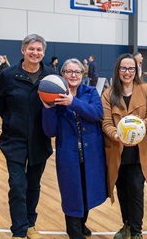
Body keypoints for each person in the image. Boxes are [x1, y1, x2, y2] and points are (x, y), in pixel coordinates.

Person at [0, 34, 56, 239]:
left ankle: (31, 223)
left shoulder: (50, 76)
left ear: (44, 53)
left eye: (39, 49)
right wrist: (14, 122)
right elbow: (0, 105)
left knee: (34, 185)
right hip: (14, 141)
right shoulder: (8, 75)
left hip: (40, 141)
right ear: (23, 50)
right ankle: (19, 231)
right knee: (17, 185)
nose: (35, 53)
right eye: (31, 48)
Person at [41, 58, 107, 239]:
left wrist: (73, 102)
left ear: (82, 74)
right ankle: (73, 230)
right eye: (69, 72)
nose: (73, 75)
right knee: (71, 192)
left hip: (91, 153)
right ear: (62, 75)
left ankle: (82, 222)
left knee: (87, 189)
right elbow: (50, 131)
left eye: (77, 72)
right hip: (68, 154)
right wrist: (48, 108)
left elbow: (96, 114)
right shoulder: (53, 96)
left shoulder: (91, 91)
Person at [101, 53, 147, 239]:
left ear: (136, 70)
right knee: (122, 191)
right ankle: (126, 225)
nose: (127, 72)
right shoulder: (109, 94)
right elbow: (106, 123)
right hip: (117, 150)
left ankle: (136, 231)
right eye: (123, 68)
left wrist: (137, 129)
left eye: (131, 68)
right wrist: (117, 135)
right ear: (118, 70)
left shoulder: (146, 89)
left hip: (139, 152)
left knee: (135, 191)